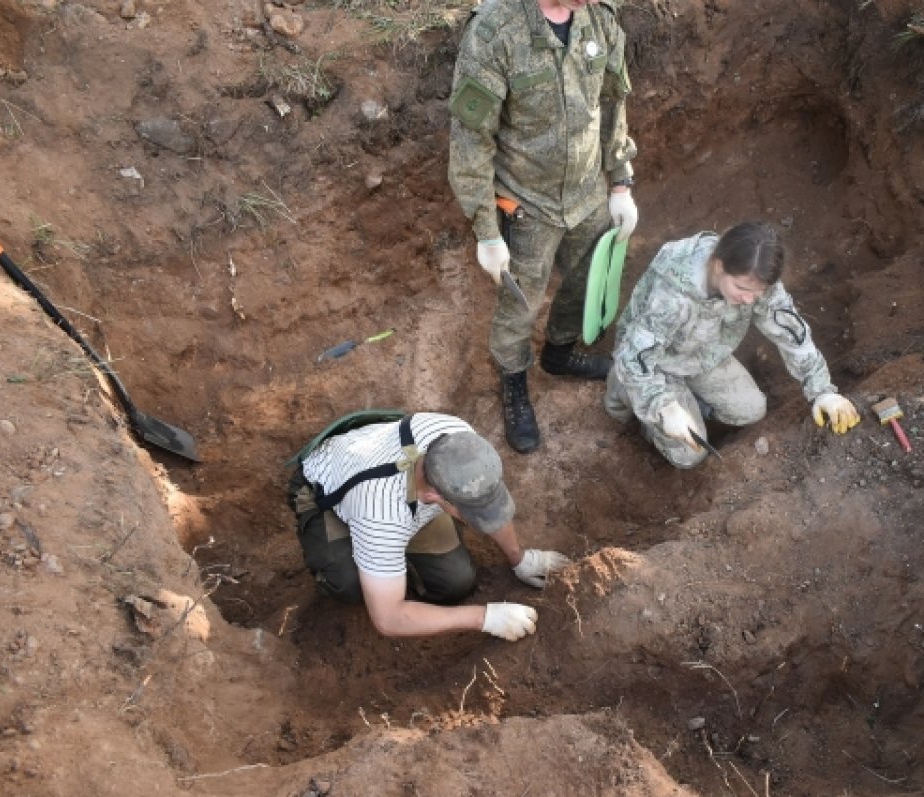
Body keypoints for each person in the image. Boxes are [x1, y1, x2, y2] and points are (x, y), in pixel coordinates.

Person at [448, 0, 638, 454]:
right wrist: (487, 231)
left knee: (582, 282)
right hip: (525, 204)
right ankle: (514, 382)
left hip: (587, 193)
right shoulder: (495, 32)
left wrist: (621, 181)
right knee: (520, 303)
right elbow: (471, 141)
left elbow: (612, 101)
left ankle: (560, 354)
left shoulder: (600, 19)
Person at [287, 412, 569, 641]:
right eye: (470, 513)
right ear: (436, 497)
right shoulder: (381, 514)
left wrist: (519, 558)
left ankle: (387, 567)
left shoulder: (459, 441)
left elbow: (486, 498)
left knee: (455, 582)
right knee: (348, 584)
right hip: (326, 492)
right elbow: (388, 619)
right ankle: (375, 565)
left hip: (386, 477)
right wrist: (485, 618)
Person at [605, 222, 861, 468]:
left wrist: (822, 391)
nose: (750, 300)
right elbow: (635, 357)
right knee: (689, 456)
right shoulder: (673, 292)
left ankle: (690, 405)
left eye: (757, 293)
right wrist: (663, 407)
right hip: (654, 362)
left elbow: (790, 331)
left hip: (703, 354)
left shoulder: (755, 276)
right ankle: (621, 388)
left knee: (751, 410)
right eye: (741, 289)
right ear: (718, 265)